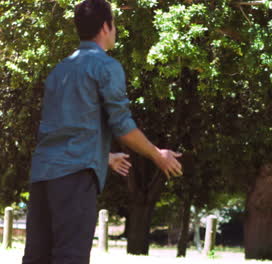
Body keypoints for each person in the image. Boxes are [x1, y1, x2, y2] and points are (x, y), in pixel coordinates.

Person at [22, 0, 182, 263]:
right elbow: (123, 126)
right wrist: (157, 154)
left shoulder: (59, 70)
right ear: (106, 27)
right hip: (75, 175)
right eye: (115, 24)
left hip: (42, 175)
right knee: (69, 257)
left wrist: (103, 156)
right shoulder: (106, 66)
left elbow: (61, 131)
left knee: (37, 257)